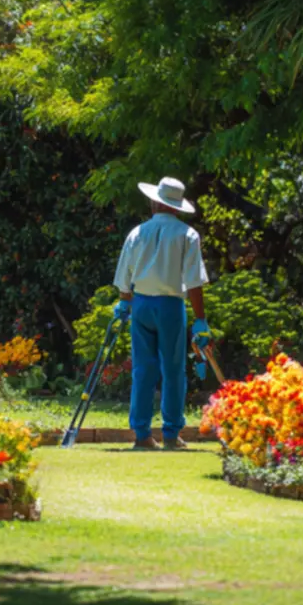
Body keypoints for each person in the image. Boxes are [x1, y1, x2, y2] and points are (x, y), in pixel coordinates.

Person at [111, 176, 211, 450]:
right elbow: (194, 282)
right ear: (177, 207)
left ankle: (142, 434)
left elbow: (124, 276)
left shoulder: (137, 232)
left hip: (141, 305)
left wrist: (124, 302)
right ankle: (171, 434)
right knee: (173, 370)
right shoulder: (187, 235)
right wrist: (200, 320)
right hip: (170, 306)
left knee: (143, 369)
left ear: (156, 202)